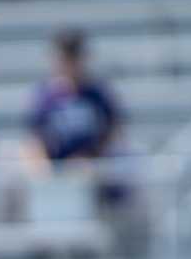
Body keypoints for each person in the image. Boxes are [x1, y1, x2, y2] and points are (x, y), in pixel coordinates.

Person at [23, 30, 121, 170]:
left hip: (93, 167)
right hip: (56, 168)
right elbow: (35, 137)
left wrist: (92, 158)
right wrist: (45, 167)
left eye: (73, 59)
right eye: (65, 59)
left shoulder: (97, 94)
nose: (69, 65)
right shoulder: (45, 96)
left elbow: (113, 130)